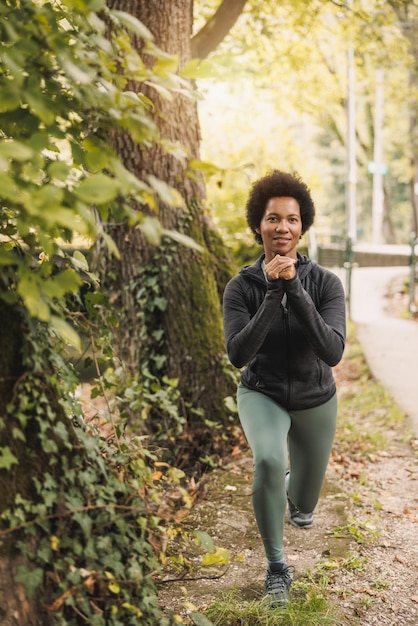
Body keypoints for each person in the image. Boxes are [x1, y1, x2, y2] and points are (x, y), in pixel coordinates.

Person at [222, 170, 346, 607]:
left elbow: (332, 351)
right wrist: (274, 292)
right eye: (273, 218)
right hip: (263, 392)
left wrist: (294, 285)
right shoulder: (241, 287)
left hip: (317, 397)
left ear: (302, 225)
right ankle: (277, 569)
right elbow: (239, 353)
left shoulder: (326, 283)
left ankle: (295, 493)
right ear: (259, 224)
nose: (282, 227)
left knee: (305, 509)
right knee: (269, 461)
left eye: (291, 219)